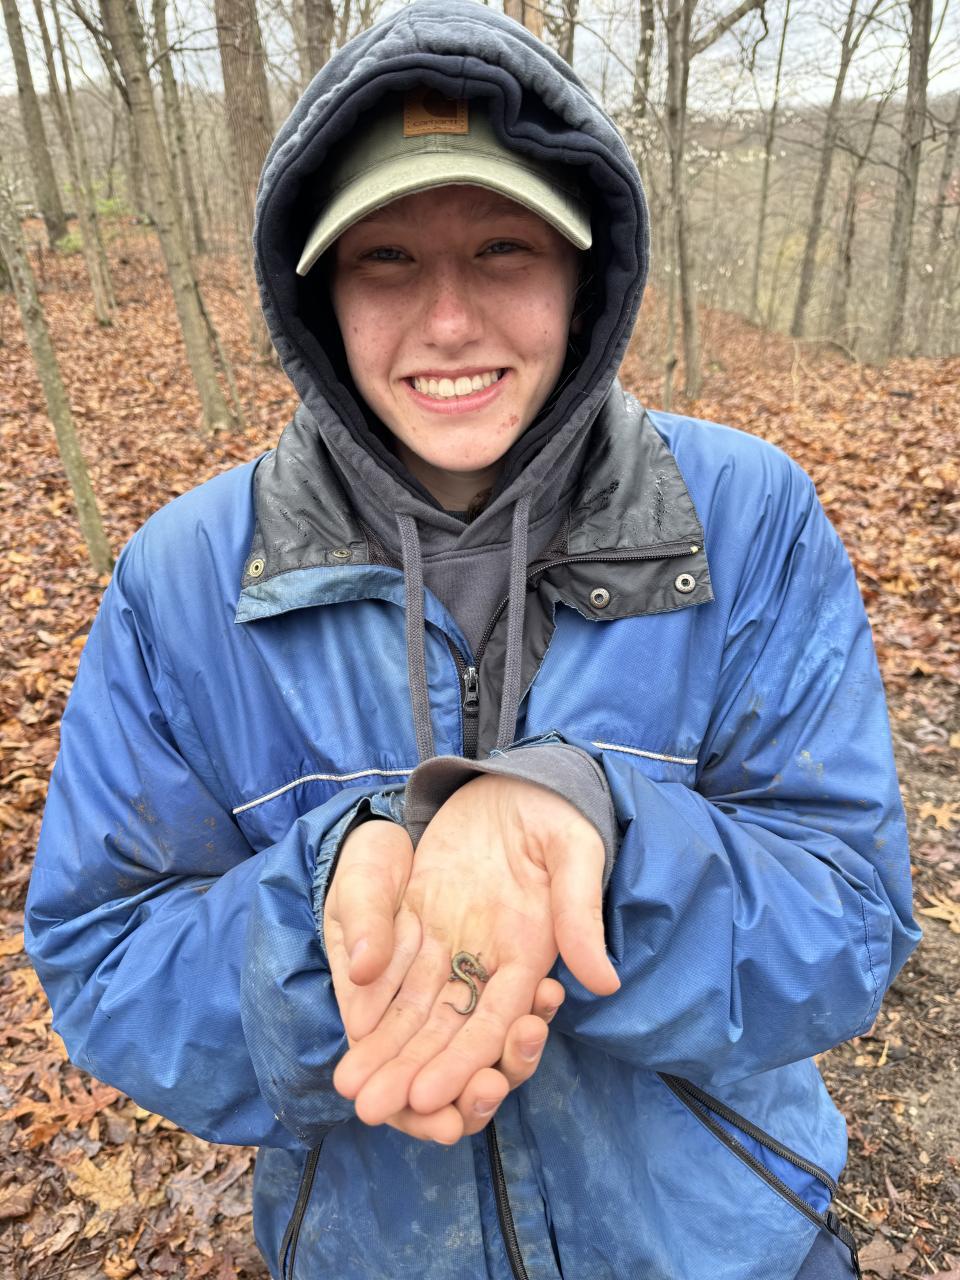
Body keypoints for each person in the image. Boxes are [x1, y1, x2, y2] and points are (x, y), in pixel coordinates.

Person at [25, 2, 919, 1277]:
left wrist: (593, 846)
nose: (449, 322)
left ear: (584, 272)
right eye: (386, 259)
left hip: (724, 1247)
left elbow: (851, 916)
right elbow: (104, 956)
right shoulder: (182, 582)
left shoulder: (744, 515)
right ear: (319, 292)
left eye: (504, 248)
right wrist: (323, 932)